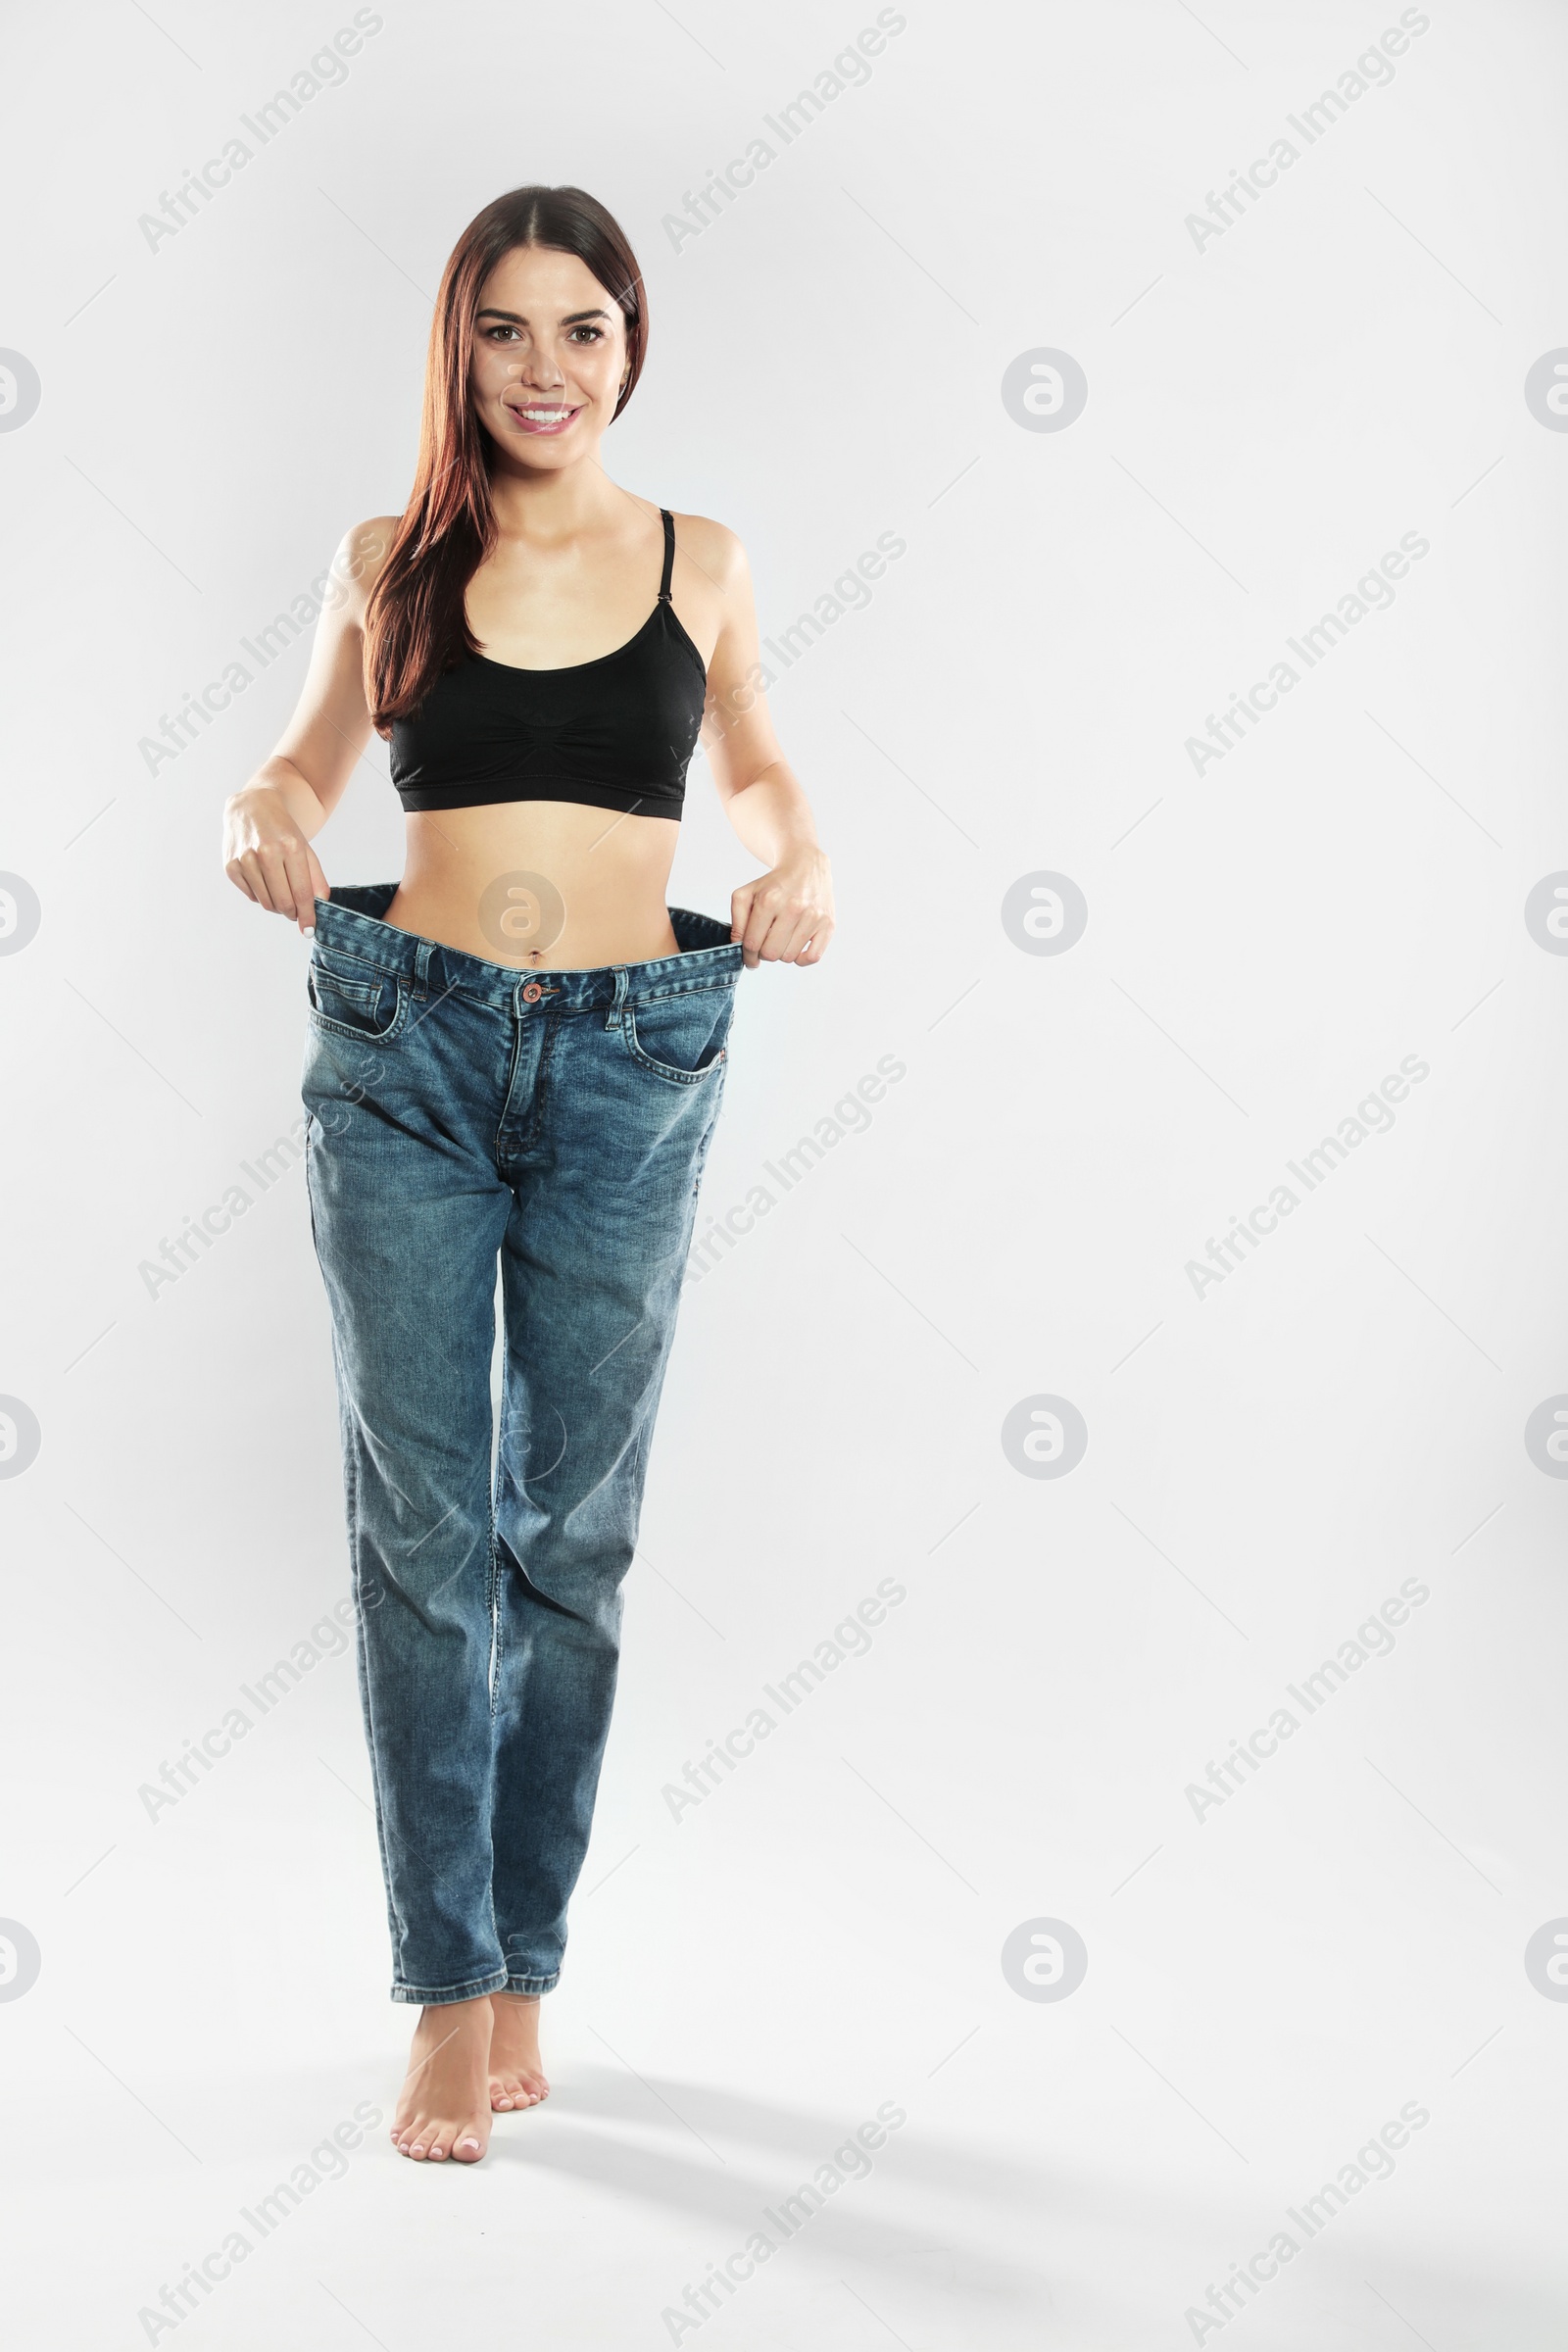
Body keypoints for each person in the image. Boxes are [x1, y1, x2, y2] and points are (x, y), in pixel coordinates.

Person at [220, 184, 834, 2165]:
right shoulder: (386, 554)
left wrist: (797, 856)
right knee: (420, 1536)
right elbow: (306, 767)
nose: (545, 368)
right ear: (454, 349)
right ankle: (442, 1991)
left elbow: (753, 765)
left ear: (628, 347)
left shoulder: (703, 557)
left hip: (632, 1058)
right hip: (403, 1041)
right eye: (505, 330)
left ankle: (526, 1960)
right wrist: (257, 803)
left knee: (566, 1538)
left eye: (582, 328)